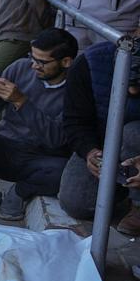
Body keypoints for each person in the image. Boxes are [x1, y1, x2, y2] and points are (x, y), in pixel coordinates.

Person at [0, 28, 76, 221]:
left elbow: (57, 141)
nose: (34, 66)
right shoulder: (21, 67)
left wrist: (22, 102)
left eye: (42, 62)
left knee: (65, 171)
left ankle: (20, 192)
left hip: (42, 160)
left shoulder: (75, 89)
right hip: (7, 148)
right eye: (32, 57)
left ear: (66, 62)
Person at [59, 44, 140, 234]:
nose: (134, 92)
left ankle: (137, 204)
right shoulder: (91, 64)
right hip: (103, 141)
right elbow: (75, 121)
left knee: (133, 132)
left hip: (134, 140)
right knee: (77, 203)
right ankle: (121, 190)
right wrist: (90, 151)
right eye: (130, 85)